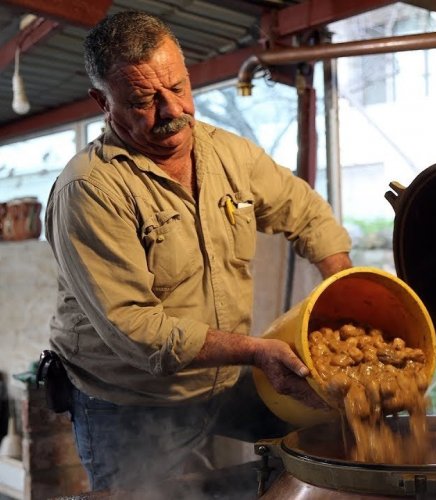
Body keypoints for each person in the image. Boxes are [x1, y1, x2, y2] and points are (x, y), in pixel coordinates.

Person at [44, 10, 352, 492]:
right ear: (101, 101)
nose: (172, 112)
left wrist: (343, 291)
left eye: (178, 88)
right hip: (129, 399)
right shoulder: (91, 190)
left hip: (222, 379)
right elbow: (137, 330)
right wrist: (255, 352)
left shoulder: (229, 154)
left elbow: (306, 212)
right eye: (143, 101)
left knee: (330, 445)